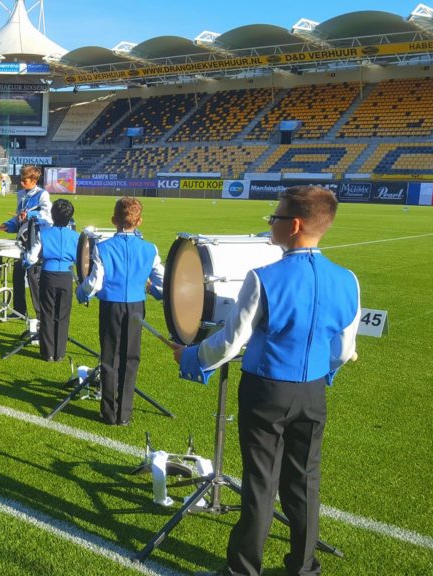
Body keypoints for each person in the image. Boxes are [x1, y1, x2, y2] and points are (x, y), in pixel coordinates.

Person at [178, 186, 359, 576]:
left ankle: (243, 569)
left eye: (274, 218)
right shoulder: (348, 280)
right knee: (305, 481)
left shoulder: (263, 278)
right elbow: (343, 351)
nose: (270, 224)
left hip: (265, 390)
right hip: (312, 392)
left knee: (260, 483)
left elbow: (230, 341)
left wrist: (191, 356)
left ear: (293, 225)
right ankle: (304, 567)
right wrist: (318, 371)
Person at [76, 197, 164, 426]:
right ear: (140, 221)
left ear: (114, 219)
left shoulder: (103, 248)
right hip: (136, 306)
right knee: (131, 357)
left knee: (109, 358)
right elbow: (162, 282)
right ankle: (125, 413)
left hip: (111, 306)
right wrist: (154, 290)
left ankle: (108, 412)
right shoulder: (149, 248)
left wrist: (81, 292)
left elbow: (95, 282)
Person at [25, 198, 78, 362]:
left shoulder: (44, 233)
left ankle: (47, 352)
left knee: (47, 314)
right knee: (63, 315)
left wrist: (25, 260)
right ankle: (59, 352)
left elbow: (32, 257)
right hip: (66, 276)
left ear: (53, 216)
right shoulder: (76, 236)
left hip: (48, 275)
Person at [0, 164, 52, 319]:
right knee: (17, 275)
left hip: (35, 240)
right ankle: (19, 310)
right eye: (21, 180)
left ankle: (41, 314)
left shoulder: (42, 195)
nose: (22, 183)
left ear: (34, 180)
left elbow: (48, 216)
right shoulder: (21, 194)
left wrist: (30, 215)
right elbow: (18, 218)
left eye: (25, 180)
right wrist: (8, 225)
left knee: (34, 279)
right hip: (21, 240)